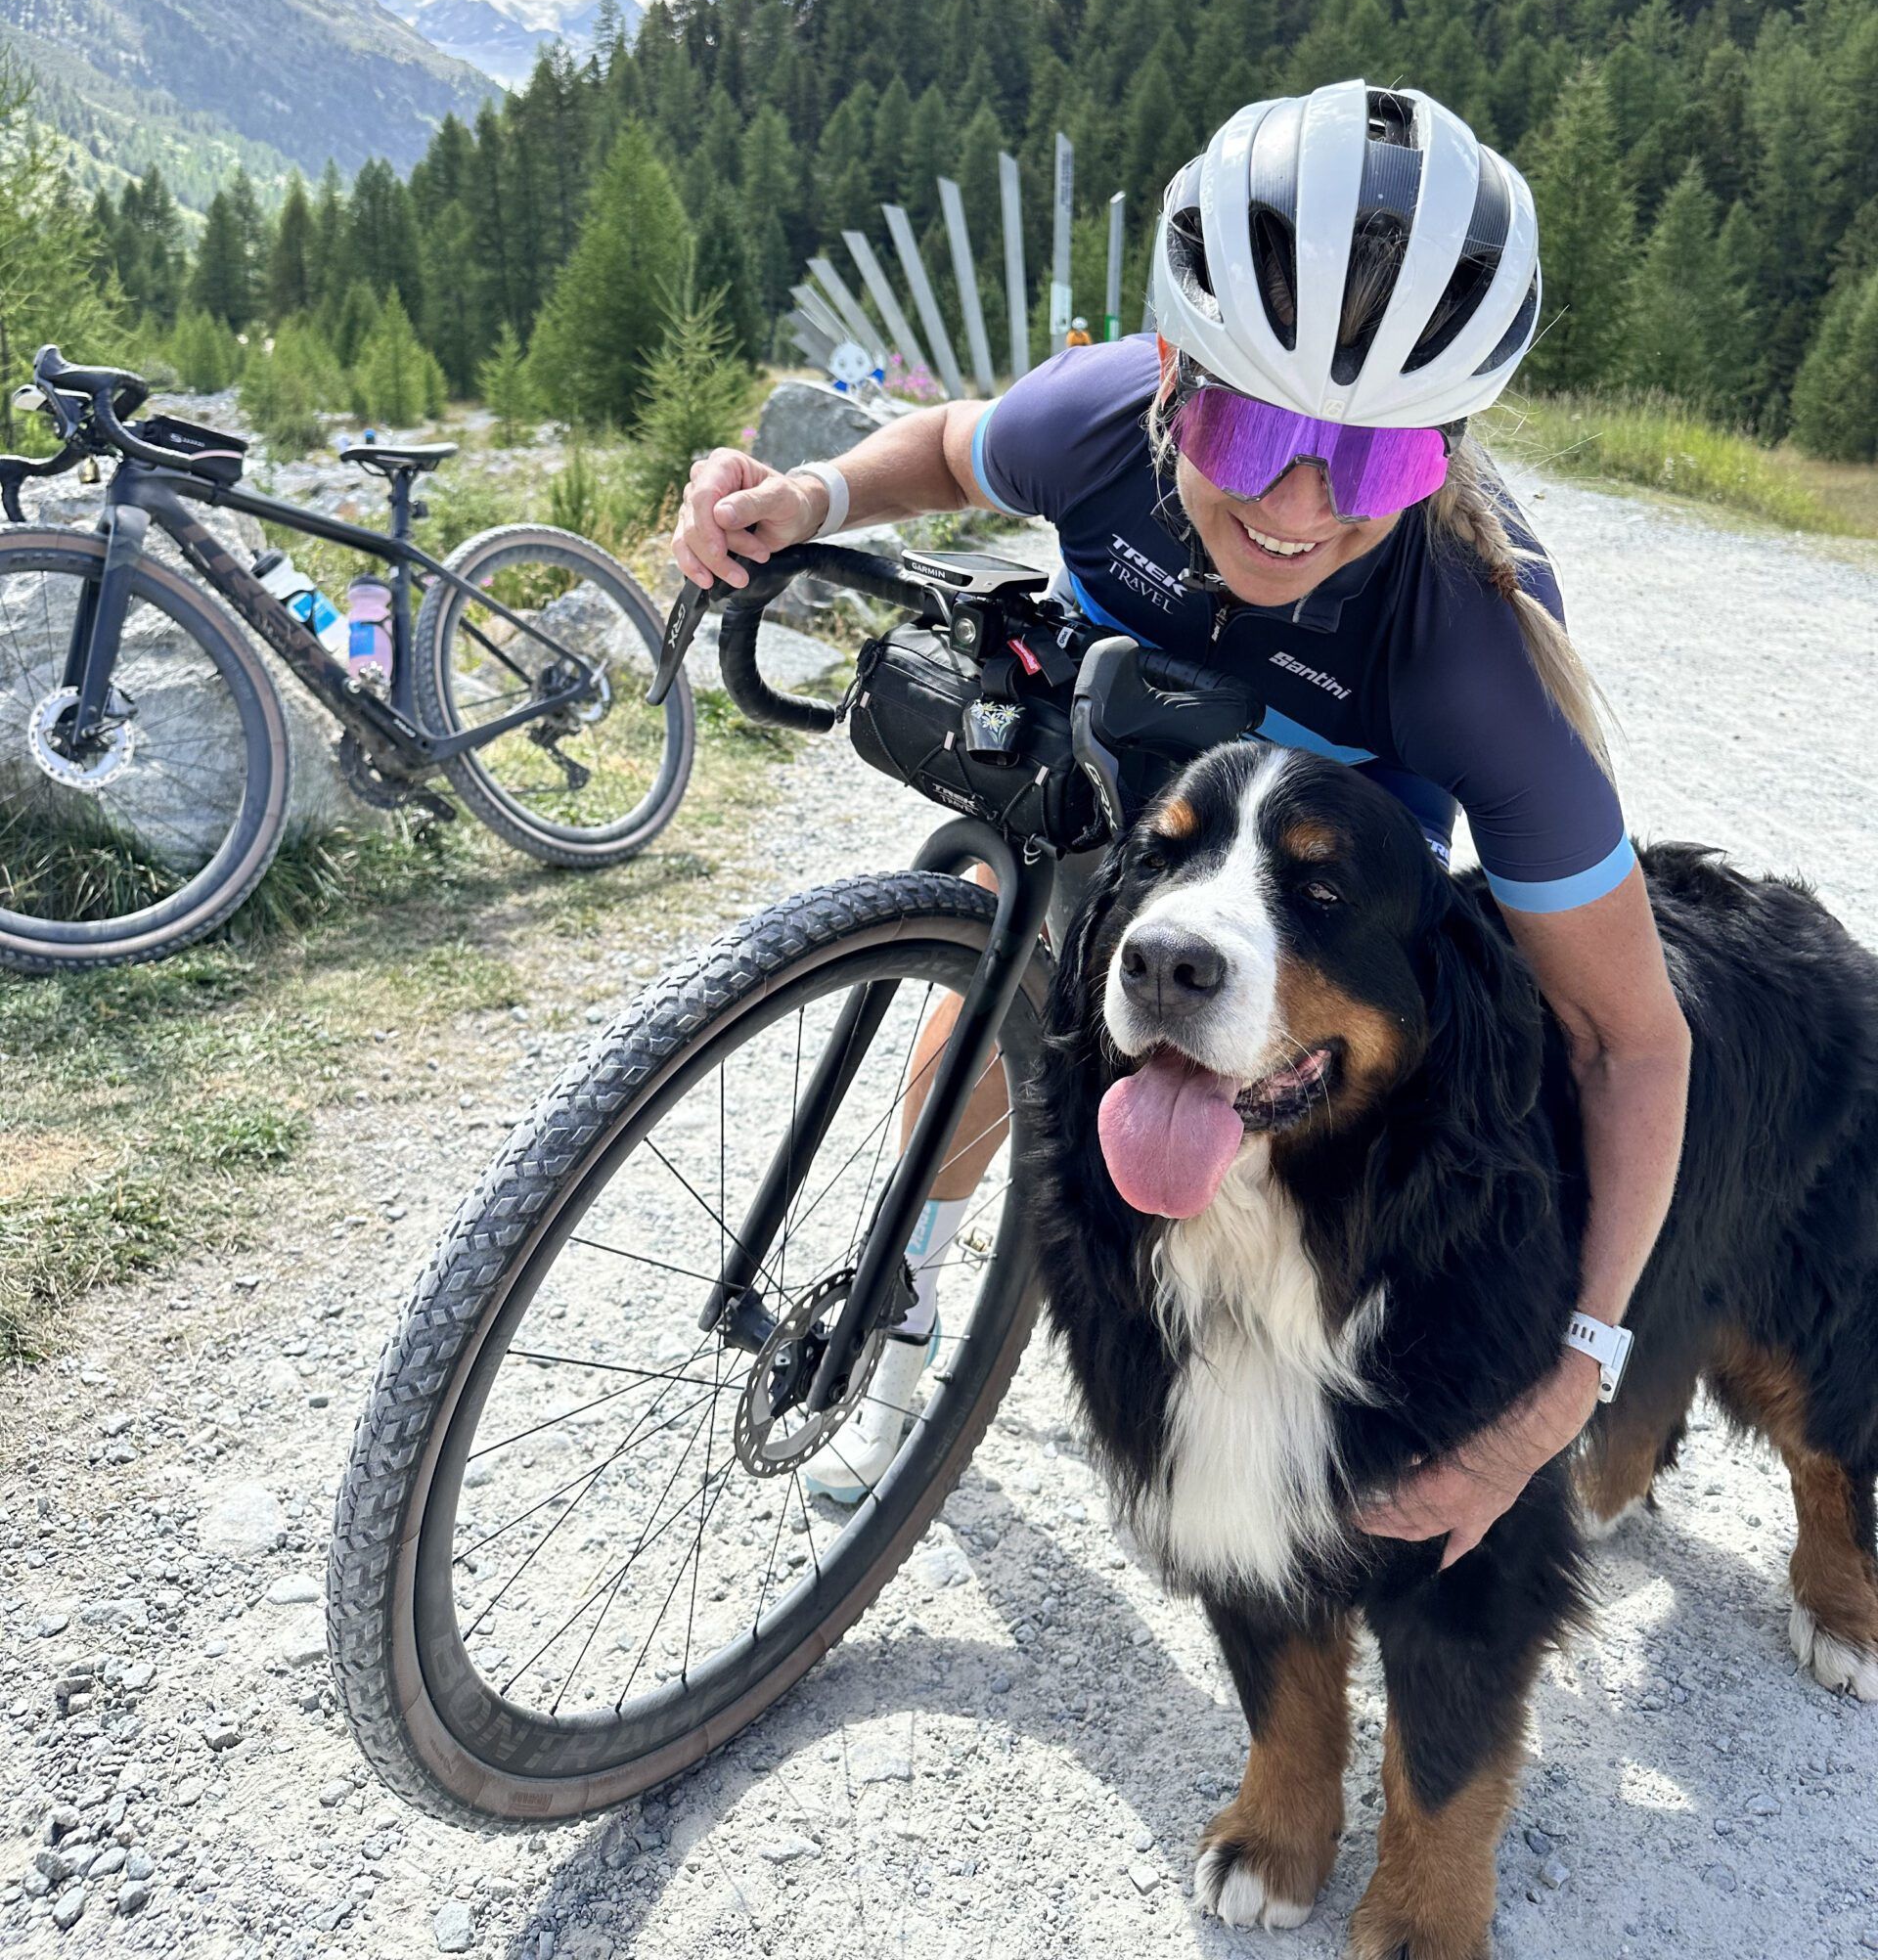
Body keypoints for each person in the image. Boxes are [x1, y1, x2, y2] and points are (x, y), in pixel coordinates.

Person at [672, 79, 1690, 1539]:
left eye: (1382, 456)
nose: (1294, 505)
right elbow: (959, 445)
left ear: (1446, 458)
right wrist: (815, 495)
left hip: (1324, 809)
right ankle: (907, 1328)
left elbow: (1630, 1039)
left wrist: (1567, 1382)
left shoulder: (1468, 653)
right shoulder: (1093, 426)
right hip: (1133, 743)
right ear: (1166, 377)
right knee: (999, 948)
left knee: (1256, 1056)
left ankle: (1257, 1377)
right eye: (1248, 428)